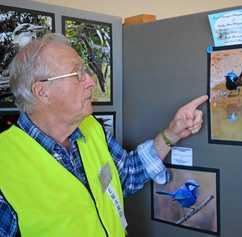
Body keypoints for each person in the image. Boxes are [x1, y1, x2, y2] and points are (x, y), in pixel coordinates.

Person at [0, 33, 208, 237]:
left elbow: (127, 174)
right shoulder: (5, 164)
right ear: (42, 91)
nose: (90, 81)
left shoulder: (90, 128)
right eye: (77, 74)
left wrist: (172, 133)